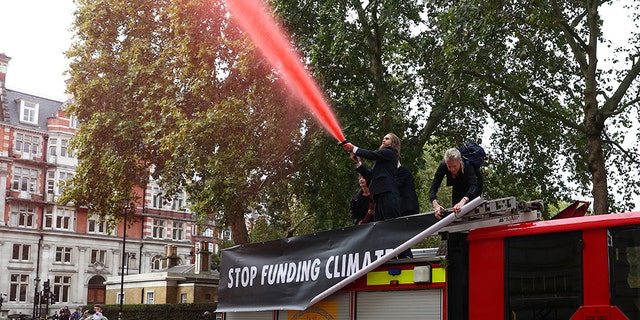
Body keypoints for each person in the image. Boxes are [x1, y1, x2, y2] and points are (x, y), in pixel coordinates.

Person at [343, 133, 401, 221]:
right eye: (383, 138)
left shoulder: (390, 152)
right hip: (379, 194)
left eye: (387, 138)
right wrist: (357, 162)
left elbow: (372, 155)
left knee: (391, 222)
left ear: (393, 142)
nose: (384, 139)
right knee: (380, 223)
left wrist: (354, 148)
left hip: (387, 193)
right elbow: (369, 175)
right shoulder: (382, 160)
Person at [429, 148, 482, 219]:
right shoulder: (443, 166)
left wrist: (462, 202)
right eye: (449, 167)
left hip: (474, 185)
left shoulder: (468, 165)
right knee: (456, 209)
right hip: (457, 184)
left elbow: (473, 186)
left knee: (470, 207)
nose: (452, 169)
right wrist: (436, 205)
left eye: (454, 166)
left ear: (459, 161)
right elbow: (434, 187)